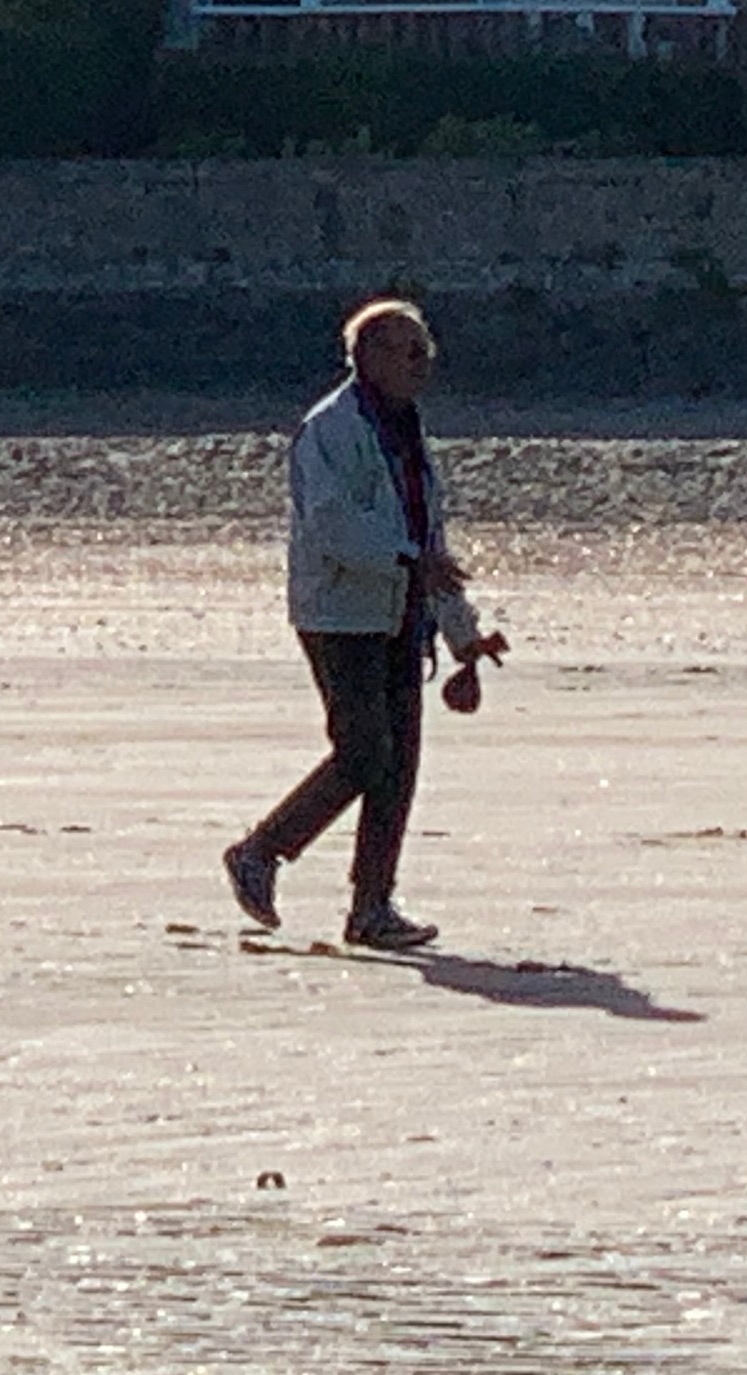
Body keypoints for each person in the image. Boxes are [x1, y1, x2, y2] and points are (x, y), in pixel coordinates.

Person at [223, 298, 502, 950]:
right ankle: (260, 851)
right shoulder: (332, 429)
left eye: (426, 350)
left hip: (401, 614)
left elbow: (430, 540)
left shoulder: (406, 428)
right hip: (339, 616)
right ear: (368, 356)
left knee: (399, 764)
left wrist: (464, 638)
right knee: (364, 753)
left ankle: (372, 907)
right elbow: (334, 527)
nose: (422, 363)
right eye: (409, 351)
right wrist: (409, 561)